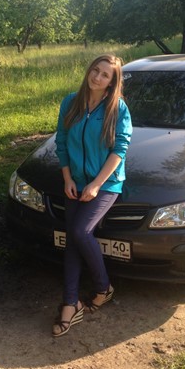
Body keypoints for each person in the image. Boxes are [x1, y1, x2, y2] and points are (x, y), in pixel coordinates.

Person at [52, 54, 133, 337]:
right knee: (73, 239)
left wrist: (97, 184)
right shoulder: (70, 102)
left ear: (112, 82)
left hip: (105, 185)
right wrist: (67, 178)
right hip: (74, 182)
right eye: (95, 70)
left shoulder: (117, 109)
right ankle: (70, 304)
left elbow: (119, 151)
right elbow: (61, 141)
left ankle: (103, 287)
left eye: (105, 75)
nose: (97, 77)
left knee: (79, 231)